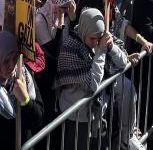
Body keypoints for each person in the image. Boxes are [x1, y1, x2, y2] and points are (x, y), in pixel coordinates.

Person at [54, 8, 133, 149]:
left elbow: (124, 62)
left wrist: (111, 46)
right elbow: (93, 83)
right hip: (76, 116)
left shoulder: (99, 38)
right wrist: (101, 51)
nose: (96, 42)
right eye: (92, 39)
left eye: (99, 38)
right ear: (84, 31)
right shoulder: (70, 48)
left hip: (96, 112)